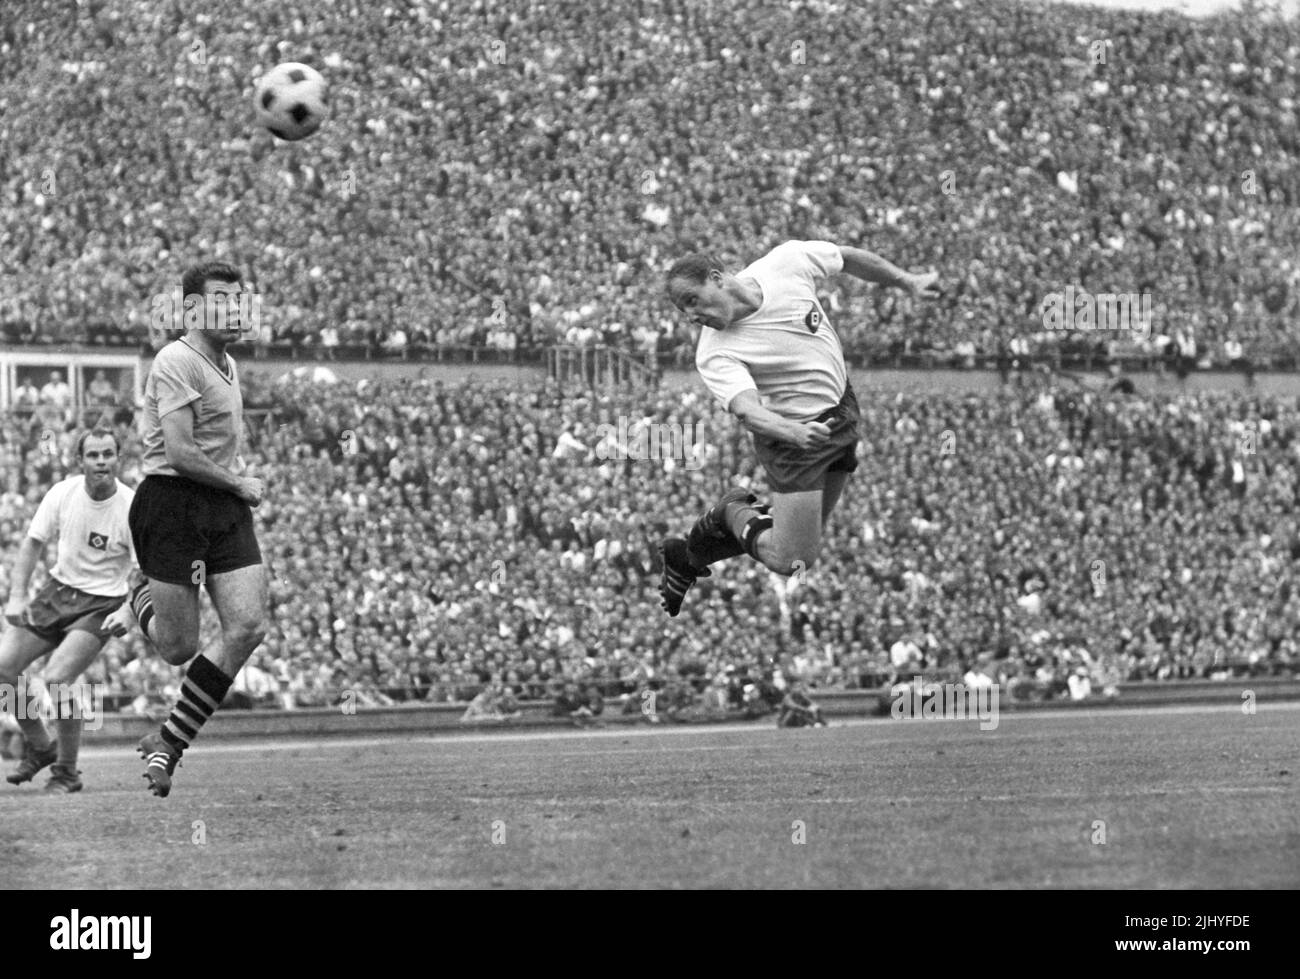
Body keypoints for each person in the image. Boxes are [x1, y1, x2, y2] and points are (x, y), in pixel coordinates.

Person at [658, 240, 939, 615]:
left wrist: (908, 282)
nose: (691, 316)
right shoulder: (714, 351)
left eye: (692, 300)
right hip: (794, 440)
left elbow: (847, 257)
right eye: (683, 310)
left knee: (801, 534)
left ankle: (689, 559)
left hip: (840, 411)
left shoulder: (785, 264)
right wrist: (793, 432)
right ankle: (729, 511)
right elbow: (748, 411)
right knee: (793, 559)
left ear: (716, 278)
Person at [124, 262, 268, 797]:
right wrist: (239, 483)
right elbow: (182, 454)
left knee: (249, 626)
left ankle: (170, 740)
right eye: (221, 301)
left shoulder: (226, 362)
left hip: (222, 506)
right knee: (177, 648)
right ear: (191, 308)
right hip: (173, 503)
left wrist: (232, 486)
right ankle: (137, 593)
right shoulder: (175, 360)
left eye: (238, 300)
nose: (234, 310)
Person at [0, 430, 139, 792]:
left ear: (118, 459)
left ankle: (67, 771)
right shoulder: (63, 492)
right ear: (81, 461)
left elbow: (147, 570)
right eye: (93, 455)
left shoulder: (132, 506)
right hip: (58, 592)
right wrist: (16, 595)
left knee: (58, 677)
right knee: (3, 666)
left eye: (108, 454)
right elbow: (31, 546)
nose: (101, 461)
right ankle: (42, 745)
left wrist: (129, 611)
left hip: (103, 601)